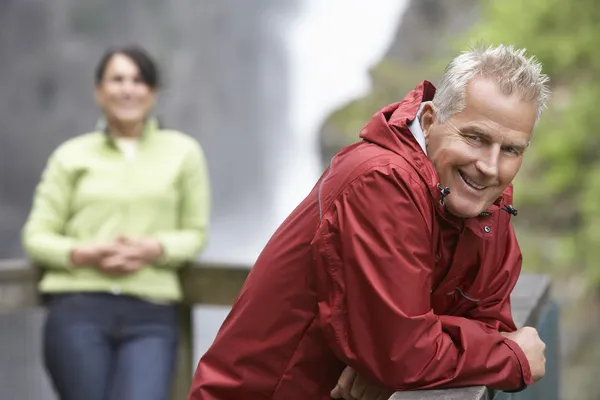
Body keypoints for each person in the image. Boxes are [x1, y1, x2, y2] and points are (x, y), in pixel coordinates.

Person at [186, 43, 549, 399]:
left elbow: (487, 325)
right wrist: (510, 358)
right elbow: (406, 353)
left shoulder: (486, 201)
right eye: (475, 137)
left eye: (510, 150)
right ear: (429, 120)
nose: (489, 165)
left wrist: (397, 358)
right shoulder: (381, 182)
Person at [22, 45, 210, 400]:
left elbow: (195, 233)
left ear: (152, 93)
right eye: (117, 79)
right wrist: (83, 253)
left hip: (151, 312)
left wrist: (155, 248)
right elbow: (37, 236)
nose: (127, 89)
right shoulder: (70, 155)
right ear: (99, 91)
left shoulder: (184, 152)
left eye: (138, 80)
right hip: (78, 309)